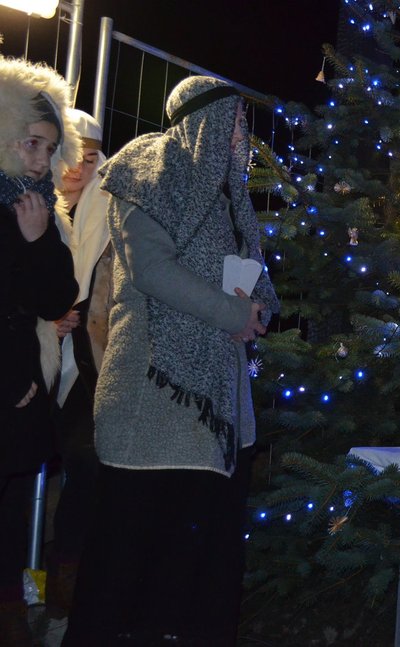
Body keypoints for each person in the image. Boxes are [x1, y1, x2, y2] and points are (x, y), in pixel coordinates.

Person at [62, 76, 279, 646]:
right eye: (235, 122)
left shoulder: (232, 200)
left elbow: (243, 276)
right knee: (127, 555)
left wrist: (254, 309)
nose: (243, 137)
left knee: (197, 559)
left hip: (216, 411)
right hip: (153, 401)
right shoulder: (146, 172)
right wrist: (234, 316)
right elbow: (152, 272)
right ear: (206, 123)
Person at [0, 56, 80, 647]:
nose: (41, 159)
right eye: (31, 143)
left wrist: (35, 240)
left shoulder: (37, 207)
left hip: (17, 389)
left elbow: (56, 295)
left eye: (50, 148)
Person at [44, 108, 113, 623]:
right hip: (33, 361)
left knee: (85, 463)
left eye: (88, 157)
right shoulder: (31, 205)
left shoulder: (106, 209)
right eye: (70, 155)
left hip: (84, 366)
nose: (77, 168)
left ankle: (67, 581)